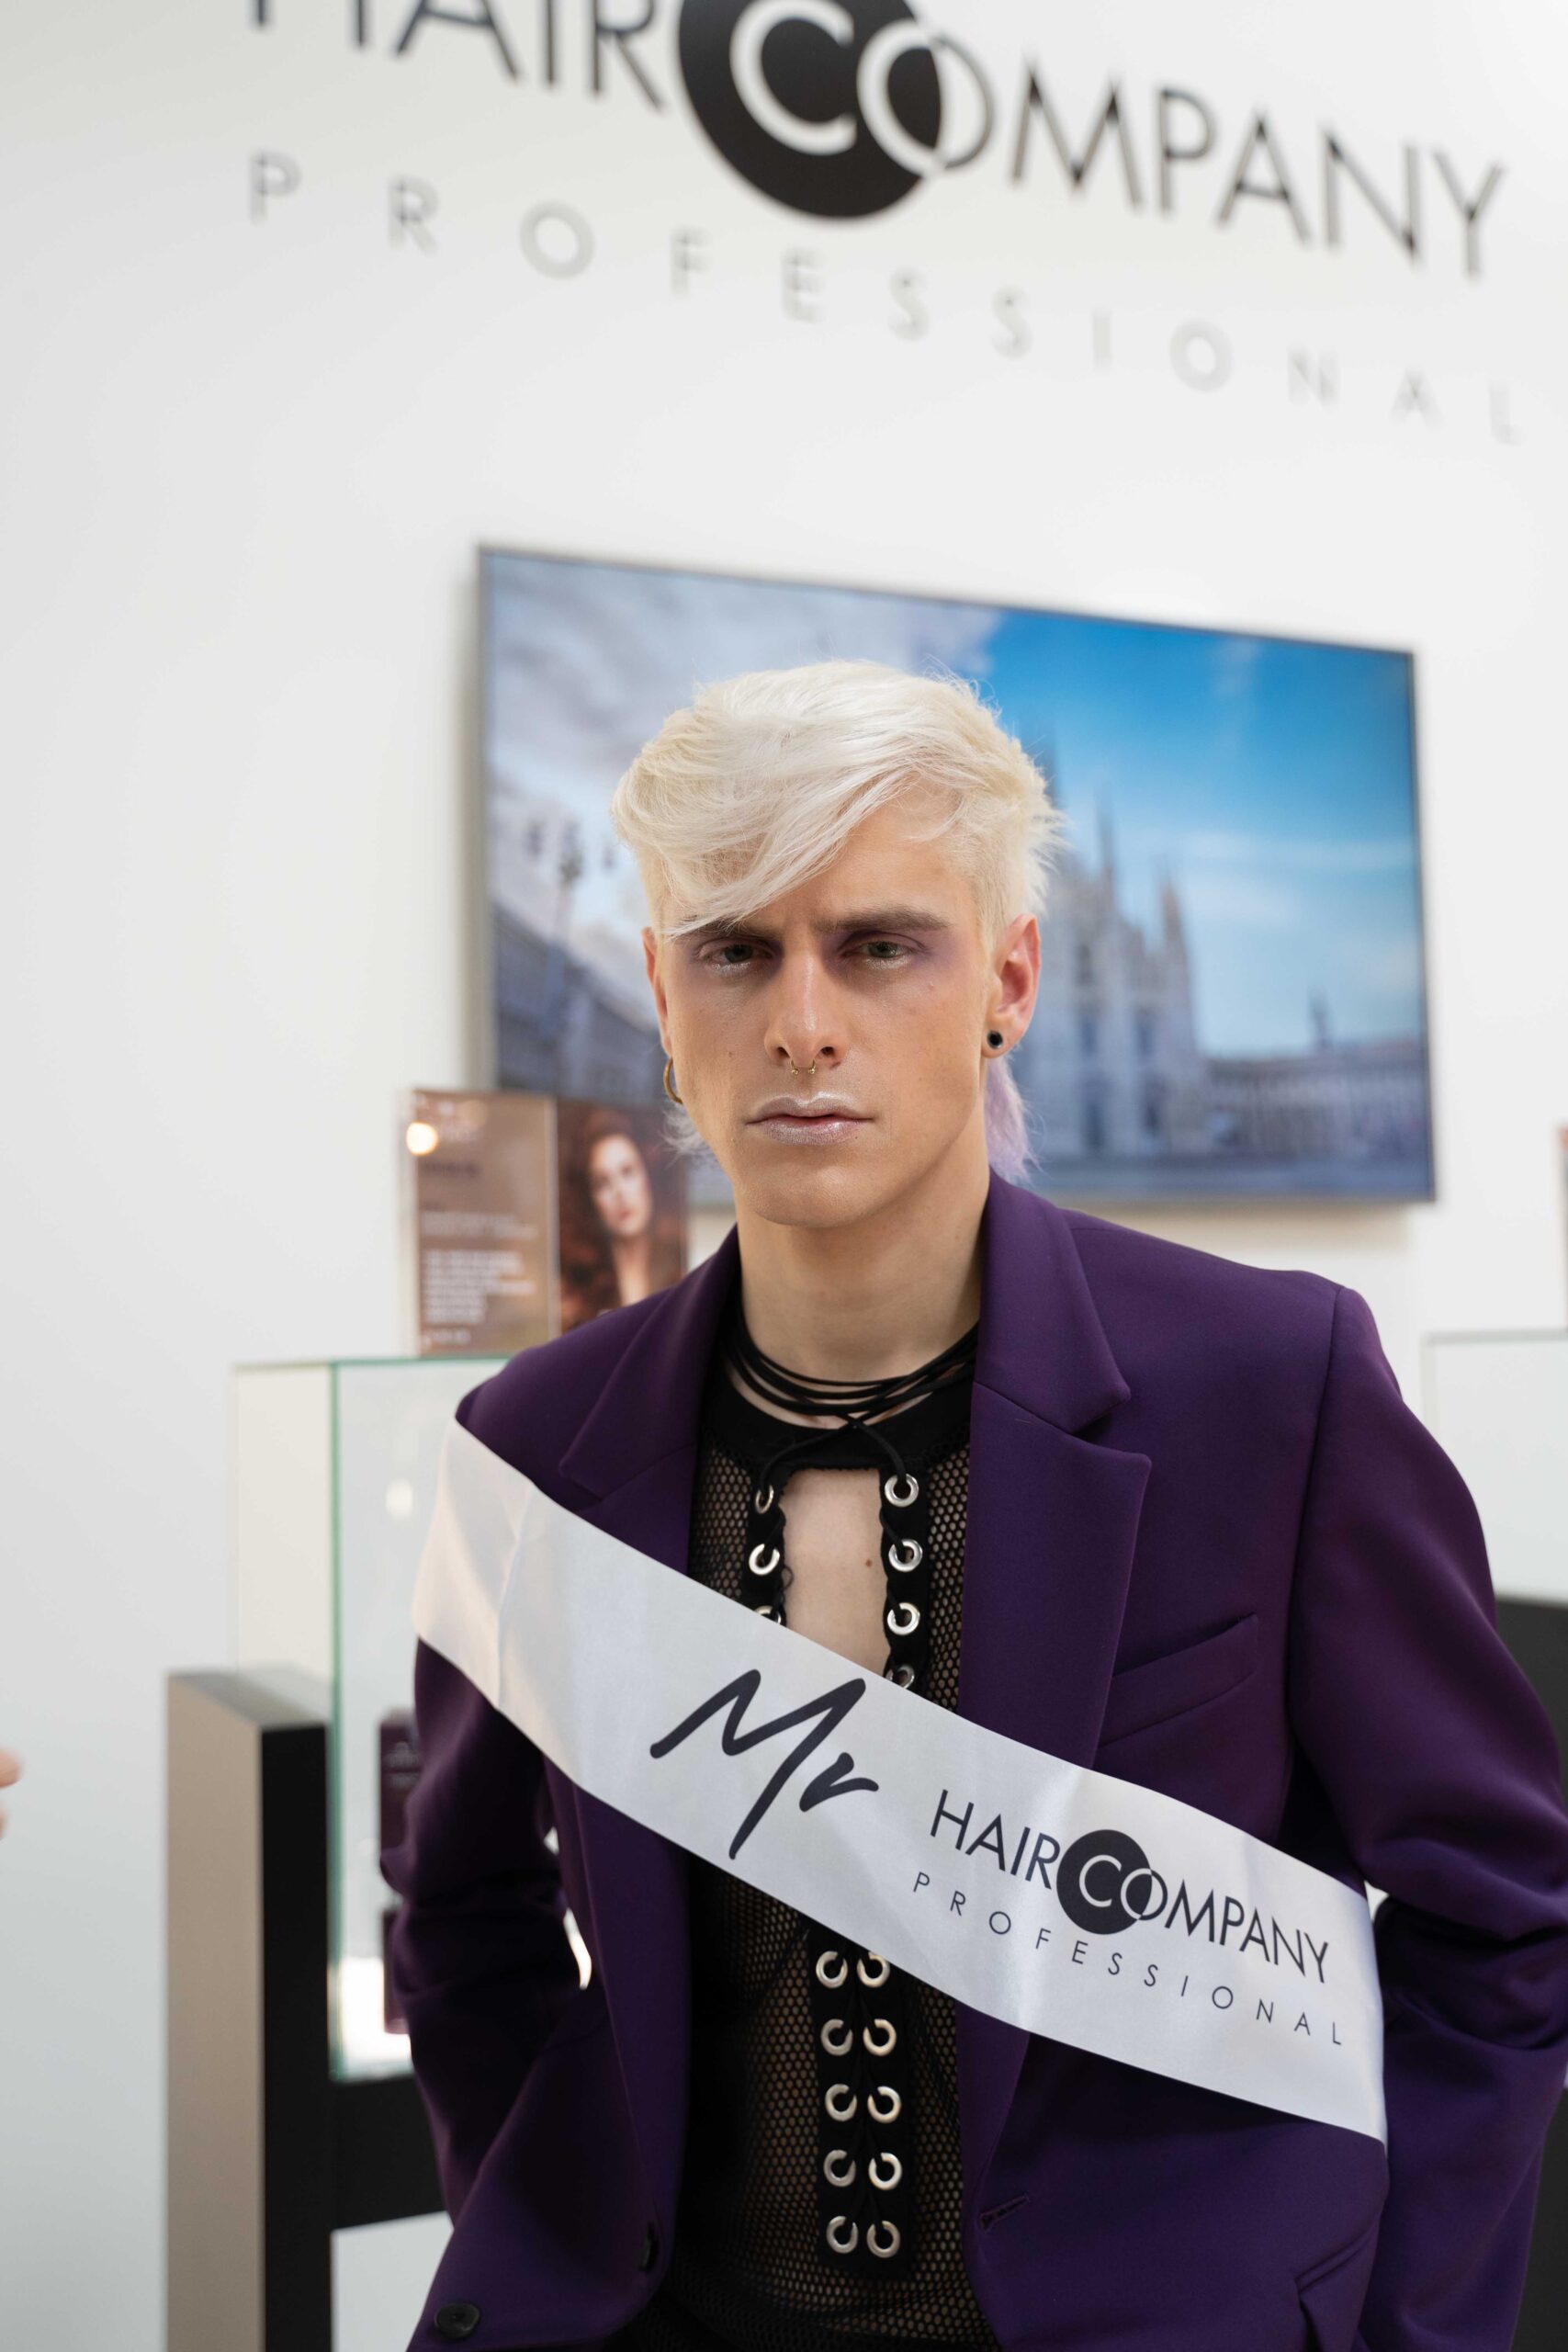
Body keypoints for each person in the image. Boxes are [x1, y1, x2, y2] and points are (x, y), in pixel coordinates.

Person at [381, 658, 1568, 2352]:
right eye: (734, 950)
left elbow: (1503, 1921)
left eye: (880, 945)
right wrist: (551, 2249)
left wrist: (1404, 2330)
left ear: (1009, 979)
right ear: (660, 990)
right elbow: (462, 1917)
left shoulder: (1268, 1386)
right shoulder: (534, 1447)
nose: (802, 1021)